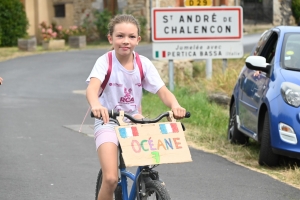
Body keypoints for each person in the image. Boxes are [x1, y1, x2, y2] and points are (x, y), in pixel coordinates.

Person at [85, 14, 186, 200]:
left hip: (133, 119)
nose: (126, 41)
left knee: (149, 162)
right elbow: (92, 89)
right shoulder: (104, 62)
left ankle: (146, 186)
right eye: (120, 36)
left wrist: (175, 105)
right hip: (108, 120)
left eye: (131, 37)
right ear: (111, 38)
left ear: (138, 40)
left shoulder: (143, 64)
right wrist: (97, 105)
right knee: (110, 178)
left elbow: (163, 91)